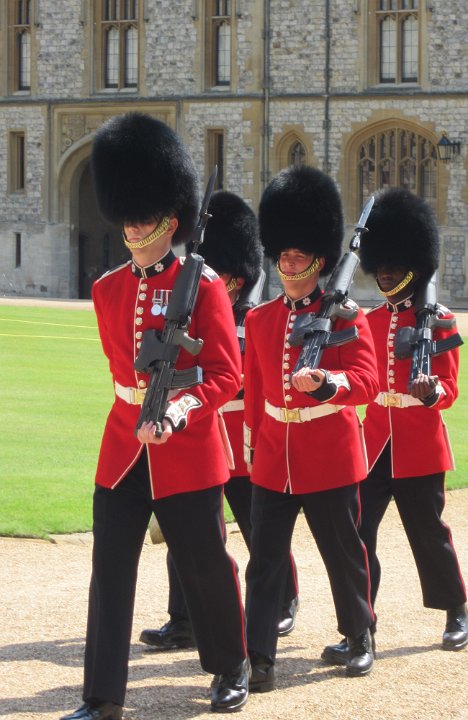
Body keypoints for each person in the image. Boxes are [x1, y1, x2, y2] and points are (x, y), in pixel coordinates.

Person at [60, 113, 249, 720]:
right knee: (110, 572)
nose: (135, 225)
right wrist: (143, 412)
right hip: (123, 448)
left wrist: (178, 412)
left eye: (146, 215)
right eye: (130, 214)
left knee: (205, 564)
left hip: (187, 449)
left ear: (171, 219)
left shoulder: (206, 285)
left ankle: (231, 666)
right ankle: (102, 697)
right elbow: (123, 375)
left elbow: (225, 375)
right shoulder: (107, 289)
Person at [139, 190, 300, 652]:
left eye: (222, 275)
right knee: (186, 533)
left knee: (258, 531)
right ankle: (184, 618)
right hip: (197, 433)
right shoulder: (189, 319)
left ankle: (283, 599)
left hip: (242, 440)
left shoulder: (256, 319)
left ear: (238, 279)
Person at [242, 165, 380, 692]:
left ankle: (359, 634)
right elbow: (257, 393)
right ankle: (258, 657)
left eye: (299, 257)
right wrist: (253, 448)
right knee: (265, 562)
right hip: (274, 457)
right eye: (283, 256)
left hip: (329, 453)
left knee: (342, 554)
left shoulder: (345, 315)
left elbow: (366, 381)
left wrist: (328, 384)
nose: (288, 265)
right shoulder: (261, 320)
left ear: (320, 260)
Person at [322, 187, 468, 668]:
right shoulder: (368, 320)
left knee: (427, 533)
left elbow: (450, 387)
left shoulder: (439, 320)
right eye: (380, 266)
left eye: (393, 266)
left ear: (412, 265)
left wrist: (431, 393)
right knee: (358, 535)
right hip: (373, 443)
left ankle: (455, 609)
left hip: (419, 442)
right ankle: (360, 626)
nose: (384, 273)